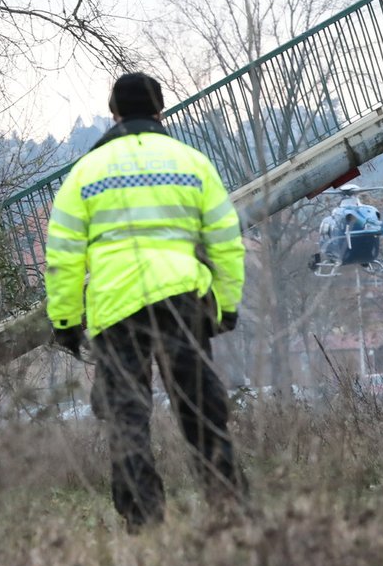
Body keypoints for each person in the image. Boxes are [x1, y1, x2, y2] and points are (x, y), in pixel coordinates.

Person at [44, 72, 247, 531]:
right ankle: (231, 511)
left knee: (128, 418)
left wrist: (65, 320)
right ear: (160, 112)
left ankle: (144, 521)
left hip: (117, 309)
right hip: (183, 301)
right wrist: (225, 304)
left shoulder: (85, 174)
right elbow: (226, 242)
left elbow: (63, 256)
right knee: (201, 412)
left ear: (113, 113)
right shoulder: (192, 163)